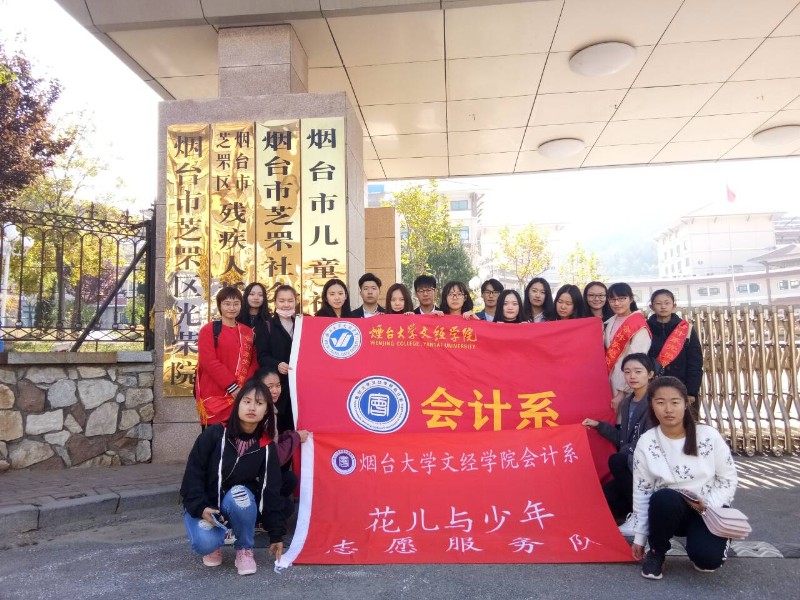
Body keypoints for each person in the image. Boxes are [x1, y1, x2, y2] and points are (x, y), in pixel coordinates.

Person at [631, 376, 738, 580]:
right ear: (651, 405)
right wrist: (640, 537)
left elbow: (728, 479)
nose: (668, 409)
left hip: (708, 509)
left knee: (708, 562)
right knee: (663, 497)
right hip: (669, 510)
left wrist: (706, 506)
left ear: (686, 403)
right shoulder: (646, 442)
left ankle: (712, 540)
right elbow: (642, 490)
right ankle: (657, 551)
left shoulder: (708, 436)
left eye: (675, 402)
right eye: (660, 402)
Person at [180, 378, 286, 575]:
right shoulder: (214, 434)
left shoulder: (266, 446)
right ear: (237, 404)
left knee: (240, 494)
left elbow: (271, 491)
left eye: (259, 403)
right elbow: (193, 476)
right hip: (206, 506)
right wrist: (200, 507)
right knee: (205, 543)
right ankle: (215, 541)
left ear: (266, 411)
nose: (252, 407)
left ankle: (244, 548)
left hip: (236, 503)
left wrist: (276, 535)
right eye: (247, 401)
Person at [582, 353, 655, 533]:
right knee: (604, 499)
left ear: (650, 374)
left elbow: (650, 441)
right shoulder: (627, 403)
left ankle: (641, 517)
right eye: (627, 372)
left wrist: (626, 451)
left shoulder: (655, 402)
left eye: (638, 371)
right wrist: (599, 426)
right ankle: (634, 510)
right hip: (630, 464)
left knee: (617, 460)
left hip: (648, 466)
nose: (632, 376)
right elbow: (622, 438)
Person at [195, 287, 258, 426]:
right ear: (219, 305)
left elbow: (253, 362)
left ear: (241, 305)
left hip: (241, 395)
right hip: (215, 394)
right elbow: (208, 361)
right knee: (214, 437)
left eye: (236, 303)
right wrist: (232, 387)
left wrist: (244, 387)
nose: (232, 308)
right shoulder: (209, 330)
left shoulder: (247, 332)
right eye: (227, 304)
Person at [257, 367, 309, 515]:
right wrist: (296, 437)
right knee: (287, 507)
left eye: (278, 385)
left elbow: (271, 443)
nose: (275, 390)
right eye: (270, 387)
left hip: (263, 471)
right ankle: (261, 515)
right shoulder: (262, 414)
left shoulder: (270, 409)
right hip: (256, 475)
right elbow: (275, 457)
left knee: (289, 479)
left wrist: (288, 436)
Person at [647, 289, 703, 407]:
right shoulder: (645, 329)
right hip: (653, 387)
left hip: (681, 386)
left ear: (674, 306)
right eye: (658, 303)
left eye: (667, 303)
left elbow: (695, 362)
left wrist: (691, 391)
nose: (663, 306)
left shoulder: (686, 329)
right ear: (651, 307)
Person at [604, 282, 651, 415]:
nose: (617, 303)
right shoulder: (609, 322)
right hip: (609, 379)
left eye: (622, 299)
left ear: (631, 299)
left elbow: (636, 361)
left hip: (627, 384)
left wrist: (622, 392)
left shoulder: (638, 324)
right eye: (612, 299)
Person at [269, 285, 298, 434]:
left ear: (296, 302)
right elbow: (262, 356)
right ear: (275, 302)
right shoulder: (267, 325)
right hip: (277, 388)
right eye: (281, 301)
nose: (286, 305)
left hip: (298, 387)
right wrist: (277, 364)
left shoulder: (302, 324)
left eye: (290, 301)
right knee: (279, 431)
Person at [237, 282, 274, 370]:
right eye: (252, 294)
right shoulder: (236, 319)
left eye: (260, 295)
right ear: (246, 296)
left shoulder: (269, 322)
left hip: (262, 368)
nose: (256, 298)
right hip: (239, 366)